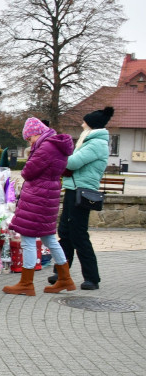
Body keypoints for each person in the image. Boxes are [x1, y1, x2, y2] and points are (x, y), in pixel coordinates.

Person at [3, 117, 74, 296]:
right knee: (49, 237)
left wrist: (30, 157)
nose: (30, 142)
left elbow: (28, 171)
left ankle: (26, 283)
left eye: (29, 138)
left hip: (38, 196)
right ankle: (65, 279)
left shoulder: (46, 147)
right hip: (48, 195)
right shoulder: (56, 146)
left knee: (27, 238)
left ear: (36, 133)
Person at [49, 106, 114, 291]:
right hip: (73, 189)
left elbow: (73, 162)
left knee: (78, 234)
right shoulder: (89, 141)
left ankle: (92, 278)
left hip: (82, 191)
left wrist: (57, 155)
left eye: (84, 122)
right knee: (66, 233)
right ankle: (61, 273)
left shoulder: (96, 144)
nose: (81, 124)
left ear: (91, 125)